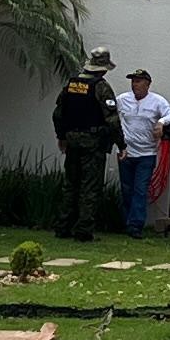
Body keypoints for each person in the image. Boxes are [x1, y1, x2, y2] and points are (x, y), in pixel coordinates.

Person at [114, 67, 170, 237]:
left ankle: (135, 226)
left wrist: (162, 122)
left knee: (140, 190)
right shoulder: (122, 100)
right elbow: (111, 116)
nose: (135, 85)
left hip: (146, 154)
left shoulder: (157, 101)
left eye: (138, 81)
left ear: (147, 84)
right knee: (127, 189)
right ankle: (127, 222)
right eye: (133, 81)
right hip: (126, 152)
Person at [53, 60, 113, 237]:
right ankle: (84, 230)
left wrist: (62, 136)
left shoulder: (71, 85)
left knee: (70, 184)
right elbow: (112, 120)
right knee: (90, 187)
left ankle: (63, 227)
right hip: (93, 144)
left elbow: (58, 113)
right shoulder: (101, 87)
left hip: (72, 141)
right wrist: (121, 143)